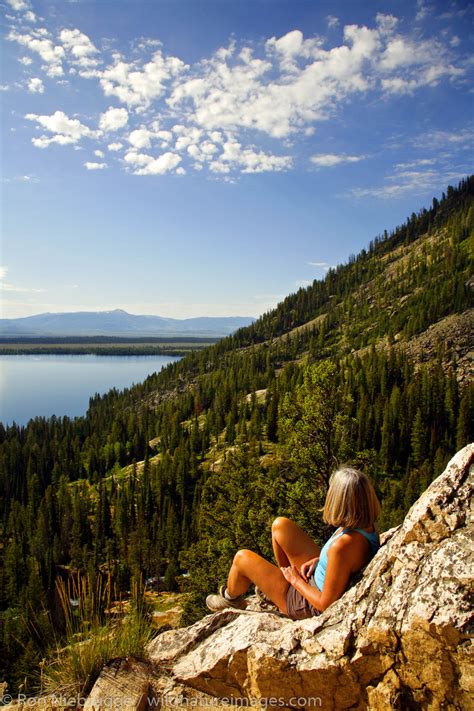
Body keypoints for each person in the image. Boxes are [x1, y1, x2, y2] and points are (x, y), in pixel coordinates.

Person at [206, 467, 381, 619]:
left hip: (307, 603)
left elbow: (325, 604)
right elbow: (345, 561)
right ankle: (279, 588)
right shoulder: (365, 524)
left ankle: (230, 599)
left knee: (241, 558)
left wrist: (295, 580)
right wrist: (319, 560)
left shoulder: (342, 546)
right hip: (320, 578)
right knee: (280, 526)